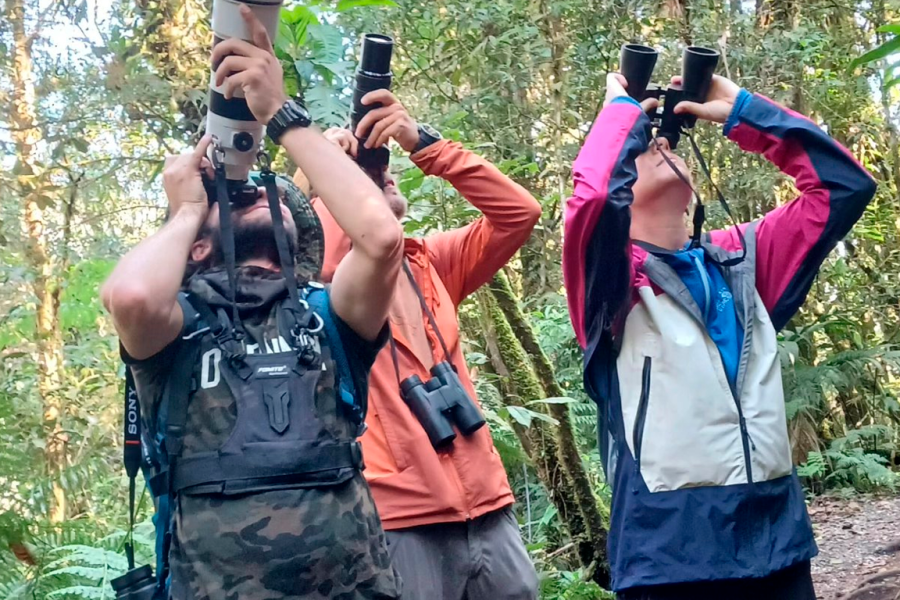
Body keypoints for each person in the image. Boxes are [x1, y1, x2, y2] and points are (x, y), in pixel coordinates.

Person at [100, 6, 403, 599]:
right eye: (227, 198)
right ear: (197, 244)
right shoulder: (176, 329)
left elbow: (383, 237)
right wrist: (186, 206)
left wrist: (282, 117)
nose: (259, 196)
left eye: (278, 197)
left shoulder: (328, 315)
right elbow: (130, 294)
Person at [562, 72, 877, 600]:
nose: (658, 140)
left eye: (662, 137)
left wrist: (743, 110)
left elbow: (843, 186)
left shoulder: (741, 261)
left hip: (778, 544)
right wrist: (620, 113)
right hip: (671, 559)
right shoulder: (612, 281)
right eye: (642, 146)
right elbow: (592, 200)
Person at [293, 89, 542, 600]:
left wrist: (422, 142)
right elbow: (304, 248)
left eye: (383, 168)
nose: (381, 170)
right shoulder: (318, 292)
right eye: (363, 174)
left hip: (487, 503)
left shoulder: (430, 261)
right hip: (397, 519)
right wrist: (319, 172)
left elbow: (519, 213)